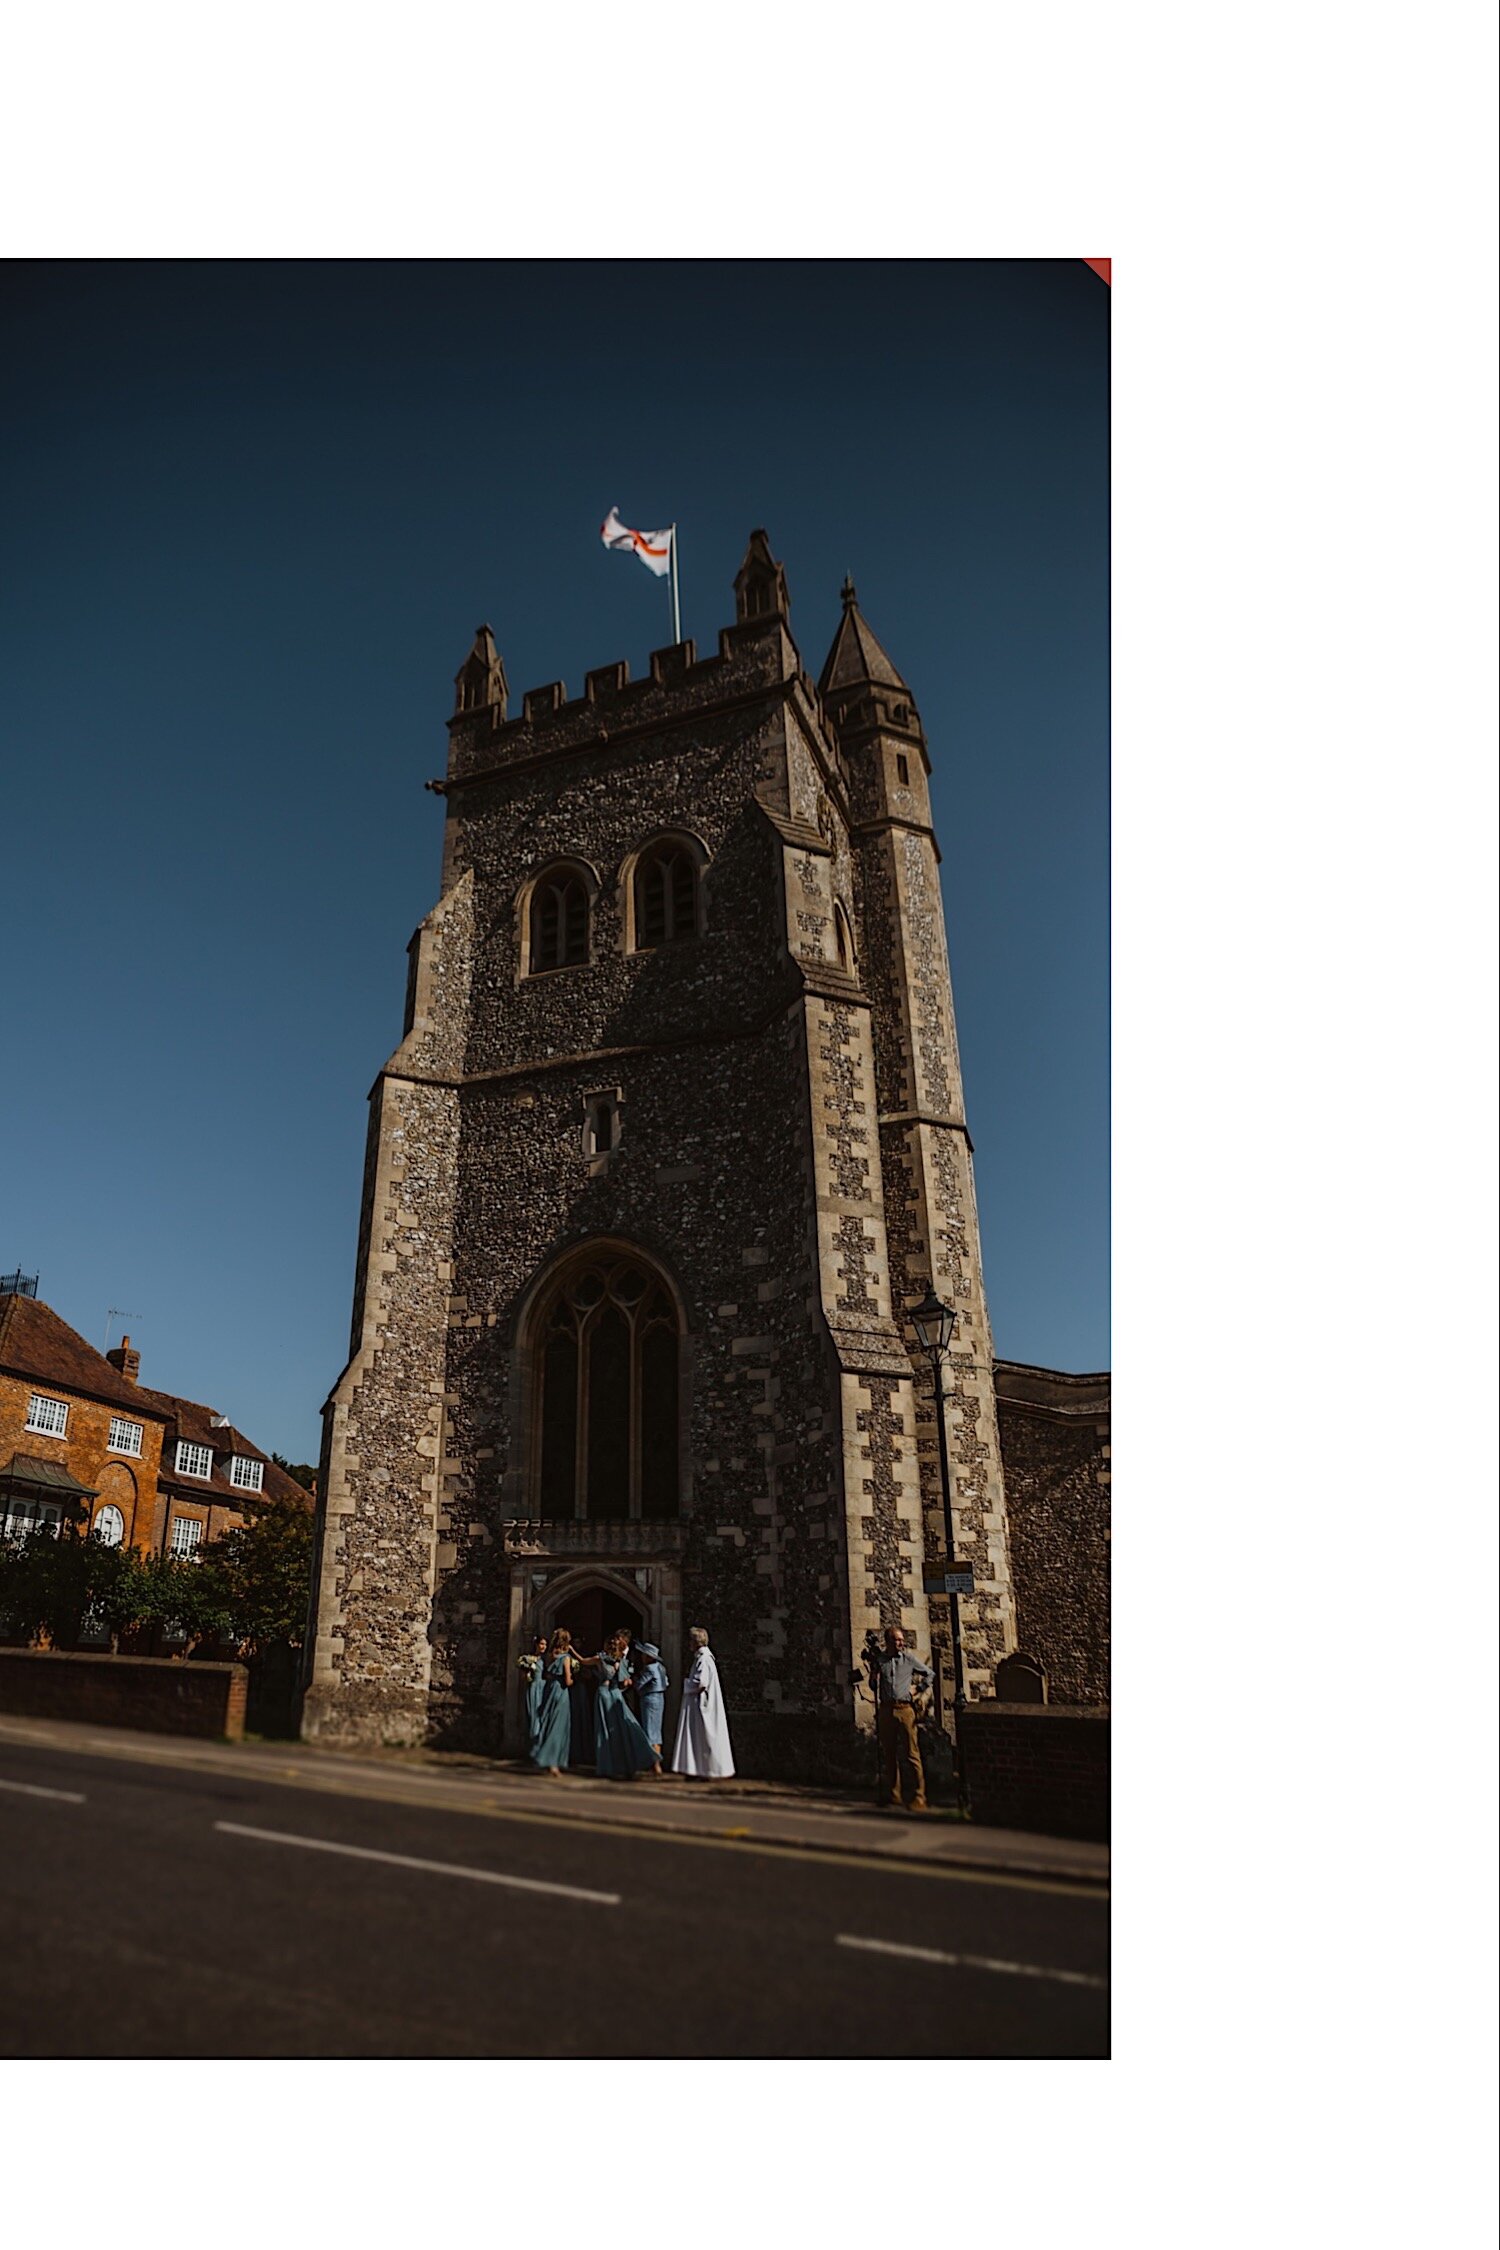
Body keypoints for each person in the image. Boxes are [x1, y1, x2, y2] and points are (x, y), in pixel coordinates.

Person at [872, 1625, 931, 1812]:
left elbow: (930, 1674)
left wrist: (919, 1689)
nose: (901, 1642)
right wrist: (873, 1676)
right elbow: (873, 1685)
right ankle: (894, 1794)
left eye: (902, 1639)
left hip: (905, 1709)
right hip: (887, 1709)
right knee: (889, 1754)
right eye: (897, 1639)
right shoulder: (880, 1660)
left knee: (912, 1754)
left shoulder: (909, 1659)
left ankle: (919, 1797)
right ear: (888, 1641)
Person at [591, 1628, 661, 1778]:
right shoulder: (609, 1657)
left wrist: (632, 1682)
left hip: (630, 1695)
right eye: (616, 1639)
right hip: (615, 1695)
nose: (617, 1642)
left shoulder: (633, 1656)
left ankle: (644, 1763)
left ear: (625, 1641)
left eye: (620, 1639)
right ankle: (621, 1763)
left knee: (634, 1729)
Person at [672, 1626, 735, 1779]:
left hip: (701, 1705)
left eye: (691, 1641)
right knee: (698, 1738)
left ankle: (705, 1770)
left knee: (702, 1737)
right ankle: (698, 1769)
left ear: (696, 1642)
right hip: (698, 1704)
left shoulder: (704, 1659)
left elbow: (701, 1682)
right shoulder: (702, 1657)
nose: (689, 1644)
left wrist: (686, 1683)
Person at [530, 1629, 577, 1775]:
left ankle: (542, 1756)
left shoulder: (550, 1655)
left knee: (547, 1722)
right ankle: (552, 1762)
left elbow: (546, 1673)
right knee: (559, 1725)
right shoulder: (566, 1658)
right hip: (561, 1691)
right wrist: (574, 1678)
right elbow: (568, 1680)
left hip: (549, 1689)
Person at [633, 1640, 670, 1771]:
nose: (642, 1657)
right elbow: (666, 1682)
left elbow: (638, 1685)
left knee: (649, 1731)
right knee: (656, 1731)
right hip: (660, 1698)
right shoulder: (661, 1667)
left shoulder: (649, 1669)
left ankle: (654, 1763)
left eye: (644, 1655)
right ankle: (655, 1763)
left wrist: (634, 1680)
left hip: (649, 1698)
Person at [518, 1633, 548, 1754]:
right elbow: (523, 1677)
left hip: (544, 1687)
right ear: (536, 1644)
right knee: (533, 1716)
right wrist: (528, 1671)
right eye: (541, 1644)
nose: (543, 1647)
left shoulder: (547, 1659)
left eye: (545, 1644)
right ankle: (534, 1748)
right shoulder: (528, 1658)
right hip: (534, 1687)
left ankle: (542, 1747)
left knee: (543, 1717)